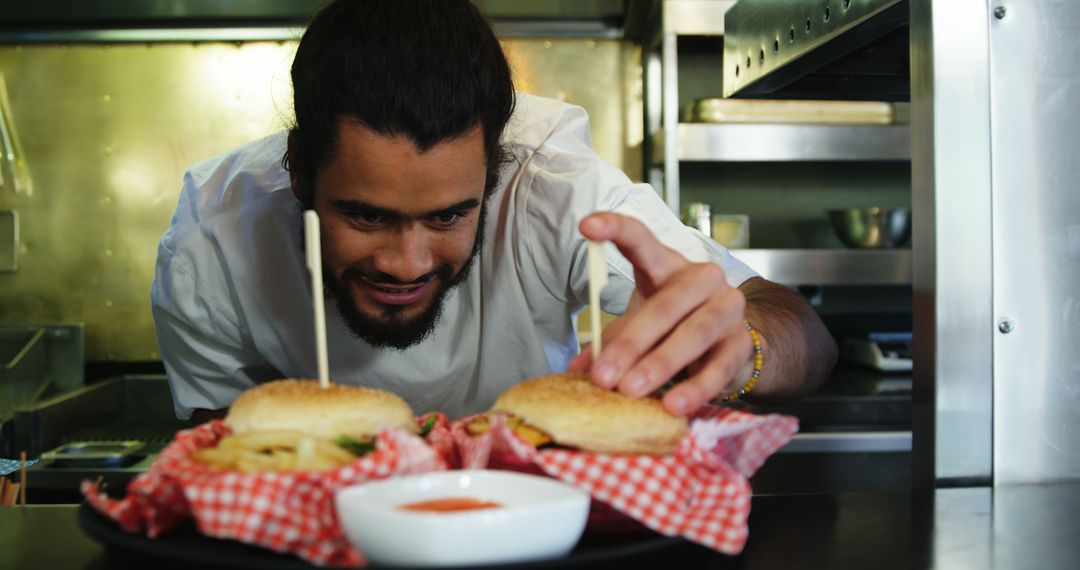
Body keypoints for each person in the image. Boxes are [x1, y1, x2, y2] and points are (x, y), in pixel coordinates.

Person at [151, 0, 837, 423]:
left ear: (496, 171)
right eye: (367, 216)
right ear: (299, 172)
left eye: (448, 216)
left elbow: (804, 332)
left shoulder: (557, 189)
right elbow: (219, 454)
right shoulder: (210, 245)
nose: (407, 263)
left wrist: (737, 348)